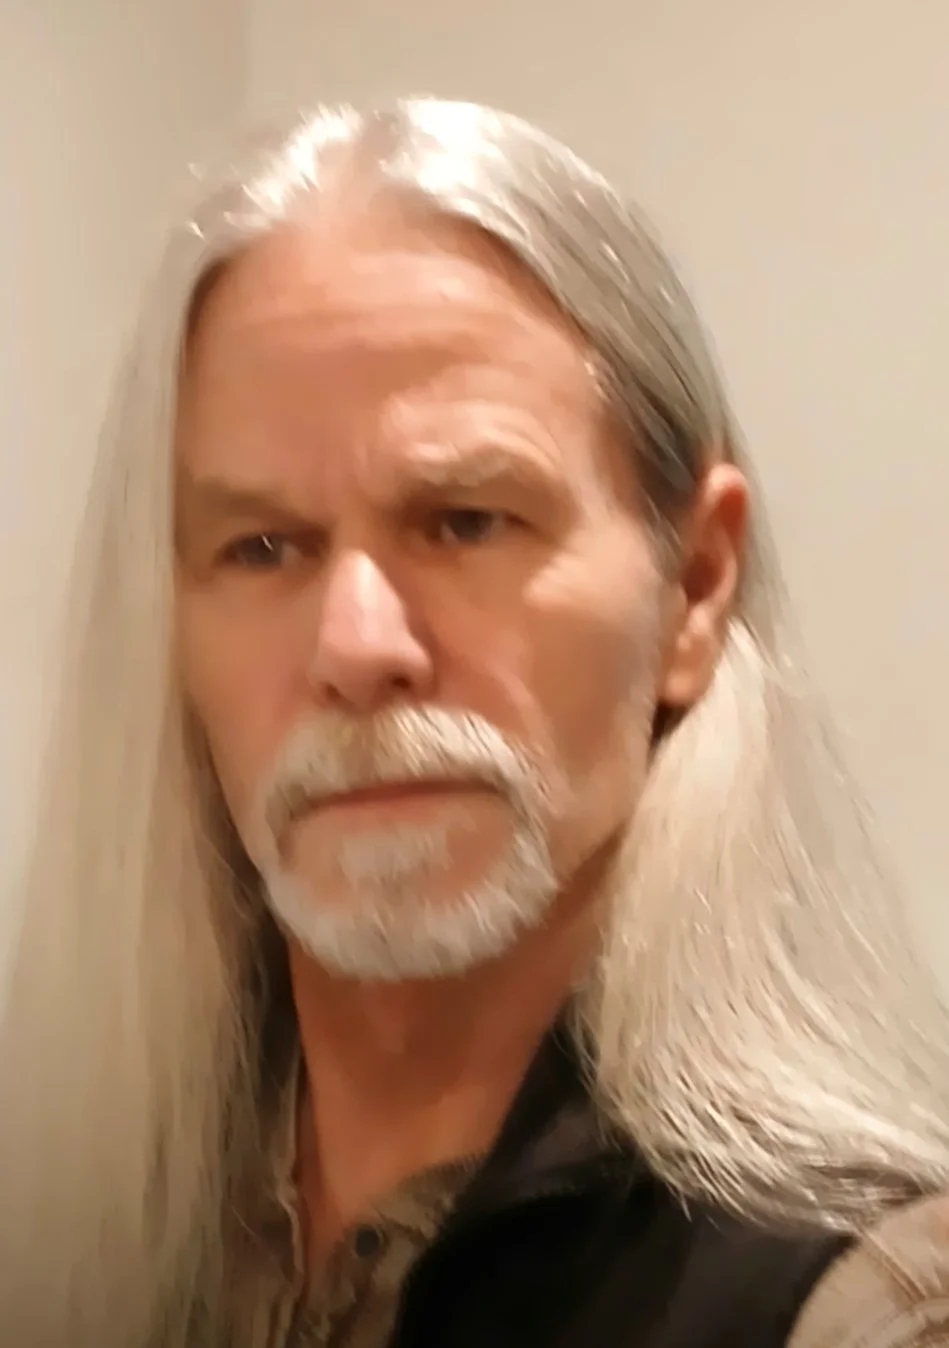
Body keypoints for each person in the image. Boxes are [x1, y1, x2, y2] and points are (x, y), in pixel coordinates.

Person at [2, 97, 948, 1348]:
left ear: (695, 585)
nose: (355, 648)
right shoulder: (67, 1240)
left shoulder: (861, 1307)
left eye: (463, 521)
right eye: (262, 546)